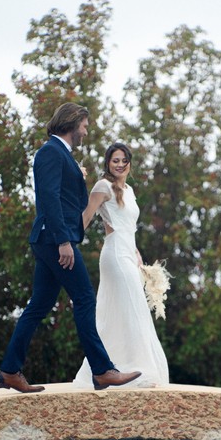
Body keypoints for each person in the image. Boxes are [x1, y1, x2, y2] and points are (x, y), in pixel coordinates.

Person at [0, 104, 141, 393]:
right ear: (72, 124)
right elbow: (48, 199)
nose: (86, 131)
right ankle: (102, 371)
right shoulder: (50, 152)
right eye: (84, 125)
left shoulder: (61, 154)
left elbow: (63, 194)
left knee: (39, 305)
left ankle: (10, 370)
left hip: (51, 239)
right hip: (54, 240)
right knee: (85, 299)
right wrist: (64, 241)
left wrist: (76, 172)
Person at [73, 142, 169, 389]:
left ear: (129, 164)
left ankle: (116, 367)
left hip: (128, 253)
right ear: (108, 163)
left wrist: (136, 253)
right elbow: (86, 216)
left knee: (120, 312)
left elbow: (129, 227)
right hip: (114, 255)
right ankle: (139, 370)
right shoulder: (102, 186)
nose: (119, 165)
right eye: (114, 160)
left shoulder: (130, 190)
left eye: (123, 160)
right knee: (134, 305)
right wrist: (67, 243)